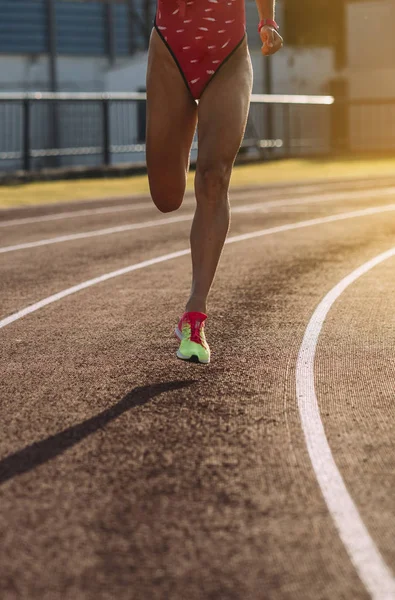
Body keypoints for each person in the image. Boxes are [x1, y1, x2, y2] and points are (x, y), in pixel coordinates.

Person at [146, 0, 283, 364]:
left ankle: (195, 314)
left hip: (229, 53)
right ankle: (185, 124)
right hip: (171, 49)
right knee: (166, 196)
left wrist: (266, 19)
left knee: (213, 178)